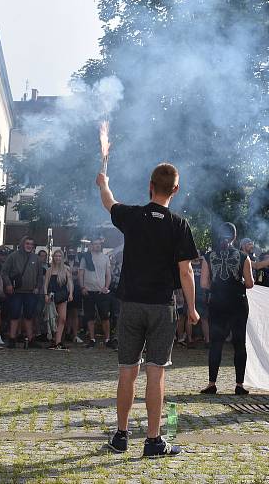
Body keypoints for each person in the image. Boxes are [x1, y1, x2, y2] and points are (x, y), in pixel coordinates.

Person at [98, 163, 199, 457]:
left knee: (127, 371)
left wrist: (103, 182)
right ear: (176, 190)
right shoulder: (179, 224)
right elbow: (186, 272)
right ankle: (154, 441)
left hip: (130, 304)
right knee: (156, 373)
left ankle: (120, 436)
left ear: (150, 186)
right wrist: (192, 308)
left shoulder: (132, 216)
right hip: (161, 307)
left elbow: (108, 201)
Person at [199, 222, 254, 395]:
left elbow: (204, 284)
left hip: (217, 303)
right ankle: (239, 385)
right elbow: (250, 283)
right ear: (234, 237)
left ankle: (211, 383)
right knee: (239, 343)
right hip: (238, 303)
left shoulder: (208, 256)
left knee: (216, 343)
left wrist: (218, 286)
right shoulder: (243, 257)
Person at [1, 236, 45, 348]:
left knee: (29, 316)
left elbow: (40, 276)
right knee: (14, 315)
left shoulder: (36, 259)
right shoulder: (13, 256)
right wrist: (8, 284)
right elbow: (4, 272)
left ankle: (30, 340)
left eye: (31, 244)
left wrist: (37, 287)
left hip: (31, 292)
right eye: (27, 243)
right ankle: (12, 339)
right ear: (22, 244)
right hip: (16, 291)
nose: (29, 246)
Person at [81, 238, 114, 349]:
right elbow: (81, 273)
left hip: (101, 292)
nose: (97, 246)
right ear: (91, 246)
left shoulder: (105, 258)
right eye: (95, 244)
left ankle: (107, 339)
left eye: (99, 244)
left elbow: (108, 275)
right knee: (90, 316)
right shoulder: (86, 257)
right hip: (88, 291)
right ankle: (92, 339)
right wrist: (82, 287)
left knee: (105, 316)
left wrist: (106, 287)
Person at [45, 249, 73, 350]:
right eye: (56, 256)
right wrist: (45, 295)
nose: (58, 258)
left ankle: (58, 341)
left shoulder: (66, 269)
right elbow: (46, 284)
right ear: (53, 257)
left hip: (62, 295)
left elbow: (70, 283)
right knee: (52, 319)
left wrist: (71, 293)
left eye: (59, 256)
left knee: (62, 318)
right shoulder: (49, 270)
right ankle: (54, 340)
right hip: (52, 296)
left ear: (62, 257)